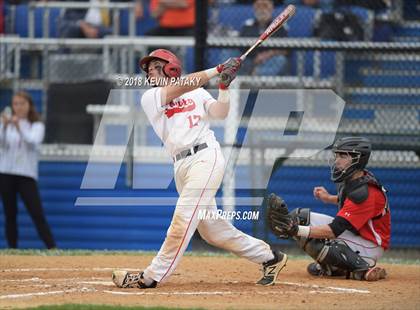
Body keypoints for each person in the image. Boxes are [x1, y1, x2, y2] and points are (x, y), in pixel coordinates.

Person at [112, 49, 288, 289]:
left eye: (156, 67)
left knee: (182, 220)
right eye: (149, 69)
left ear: (171, 67)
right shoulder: (151, 97)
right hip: (181, 165)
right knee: (212, 231)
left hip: (206, 157)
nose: (151, 72)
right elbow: (182, 86)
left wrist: (224, 88)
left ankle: (151, 276)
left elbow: (220, 113)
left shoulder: (197, 92)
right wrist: (217, 70)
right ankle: (270, 258)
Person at [267, 137, 390, 281]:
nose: (337, 160)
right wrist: (329, 198)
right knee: (299, 217)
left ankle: (363, 268)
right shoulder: (357, 178)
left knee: (322, 238)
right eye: (337, 155)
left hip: (369, 244)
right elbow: (349, 202)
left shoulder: (365, 192)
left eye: (343, 156)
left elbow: (334, 230)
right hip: (356, 235)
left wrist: (296, 230)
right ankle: (333, 267)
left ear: (359, 159)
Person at [0, 91, 56, 249]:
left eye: (22, 104)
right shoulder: (7, 124)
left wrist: (19, 128)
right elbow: (2, 145)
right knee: (10, 214)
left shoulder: (37, 125)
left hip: (26, 174)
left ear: (29, 106)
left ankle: (52, 247)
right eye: (15, 104)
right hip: (5, 173)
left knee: (36, 213)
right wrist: (4, 127)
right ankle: (12, 248)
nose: (18, 107)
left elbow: (32, 141)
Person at [239, 0, 289, 76]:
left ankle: (255, 77)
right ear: (254, 8)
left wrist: (268, 54)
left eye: (265, 5)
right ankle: (226, 78)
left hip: (269, 61)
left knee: (281, 60)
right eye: (258, 6)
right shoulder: (247, 25)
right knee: (231, 53)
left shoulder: (280, 26)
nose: (262, 9)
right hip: (249, 59)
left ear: (271, 8)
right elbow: (239, 47)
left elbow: (286, 50)